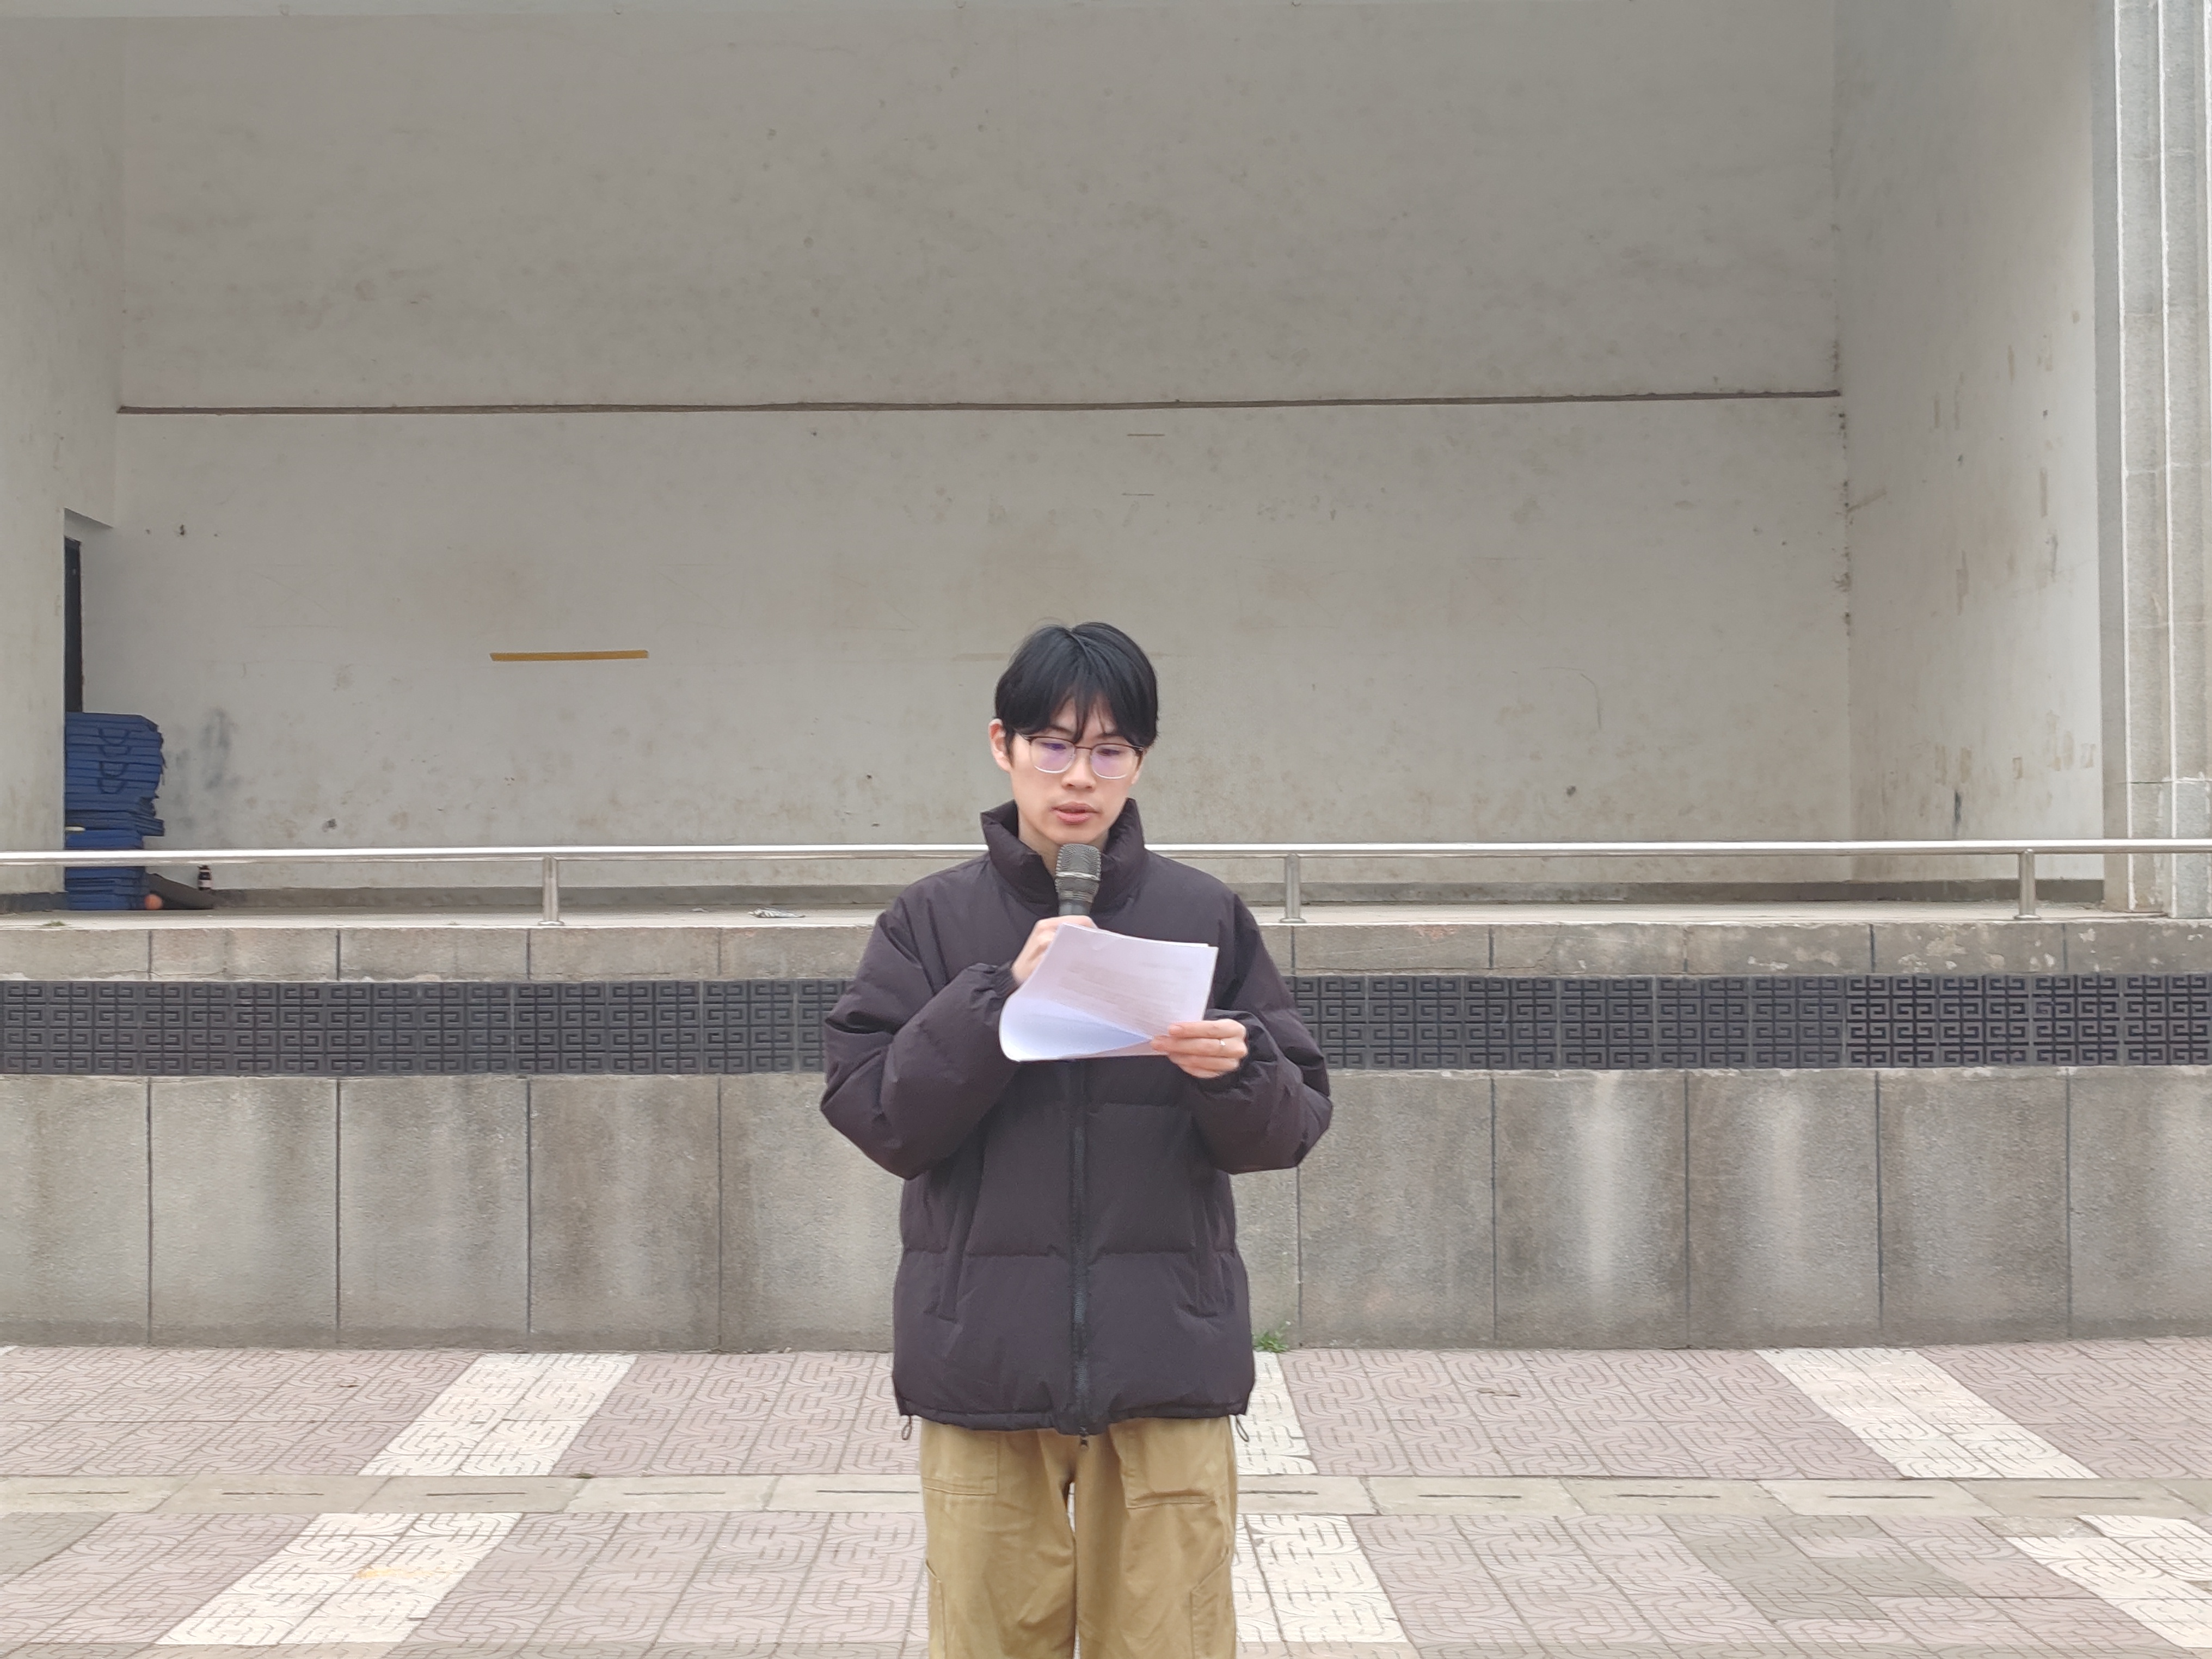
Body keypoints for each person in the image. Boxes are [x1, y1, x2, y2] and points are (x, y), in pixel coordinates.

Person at [821, 621, 1332, 1659]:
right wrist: (998, 992)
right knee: (989, 1641)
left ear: (1141, 760)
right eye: (1053, 745)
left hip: (1165, 1363)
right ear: (1002, 745)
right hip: (982, 1364)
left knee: (1170, 1643)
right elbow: (878, 1117)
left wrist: (1234, 1071)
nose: (1078, 777)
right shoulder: (930, 923)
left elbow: (1290, 1128)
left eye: (1109, 750)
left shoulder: (1202, 914)